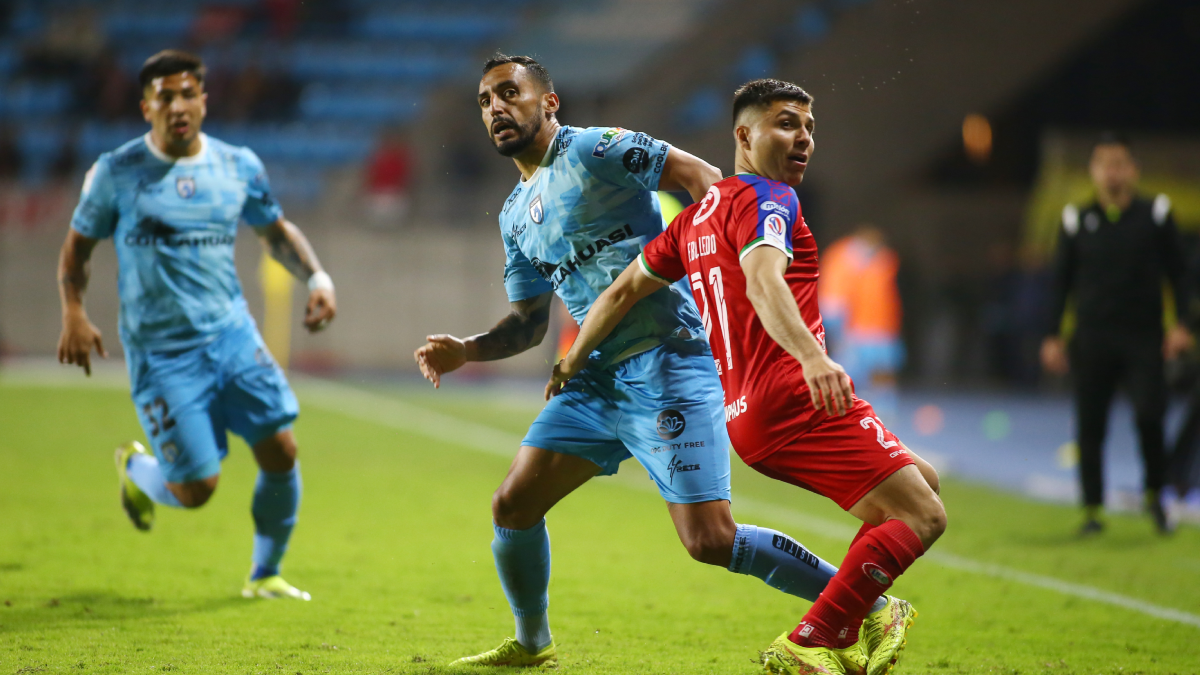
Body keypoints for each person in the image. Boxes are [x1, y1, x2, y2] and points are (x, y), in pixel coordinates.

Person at [414, 55, 903, 671]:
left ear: (550, 101)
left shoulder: (594, 149)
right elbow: (527, 324)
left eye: (509, 93)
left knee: (710, 541)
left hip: (667, 362)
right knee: (512, 504)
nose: (496, 109)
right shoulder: (515, 215)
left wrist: (726, 287)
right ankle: (533, 643)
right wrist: (468, 349)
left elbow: (701, 177)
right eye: (485, 101)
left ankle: (875, 603)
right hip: (590, 376)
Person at [547, 79, 946, 675]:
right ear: (744, 135)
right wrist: (812, 358)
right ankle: (814, 639)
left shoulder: (695, 217)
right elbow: (763, 282)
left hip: (747, 417)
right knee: (922, 515)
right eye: (786, 124)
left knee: (921, 485)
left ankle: (866, 614)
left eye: (809, 128)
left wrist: (571, 360)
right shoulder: (768, 200)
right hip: (795, 395)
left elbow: (623, 289)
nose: (803, 138)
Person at [56, 50, 337, 600]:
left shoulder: (238, 166)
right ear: (146, 107)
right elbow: (76, 252)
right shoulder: (115, 173)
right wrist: (73, 312)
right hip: (161, 353)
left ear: (204, 101)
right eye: (166, 97)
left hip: (231, 334)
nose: (178, 106)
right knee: (196, 490)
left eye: (188, 94)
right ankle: (136, 468)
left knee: (281, 449)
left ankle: (265, 575)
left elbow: (275, 231)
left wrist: (318, 278)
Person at [1040, 132, 1190, 536]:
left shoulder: (1155, 214)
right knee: (1090, 425)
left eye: (1119, 163)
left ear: (1133, 169)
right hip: (1092, 338)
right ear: (1093, 170)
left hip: (1143, 337)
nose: (1112, 172)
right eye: (1104, 164)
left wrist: (1184, 324)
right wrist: (1052, 335)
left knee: (1150, 416)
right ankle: (1093, 510)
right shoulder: (1076, 219)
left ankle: (1156, 496)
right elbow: (1061, 283)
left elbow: (1181, 273)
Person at [819, 224, 904, 418]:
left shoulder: (884, 259)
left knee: (883, 367)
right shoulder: (840, 256)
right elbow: (833, 296)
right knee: (846, 369)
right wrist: (837, 325)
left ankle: (884, 405)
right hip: (853, 327)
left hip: (882, 325)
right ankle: (837, 406)